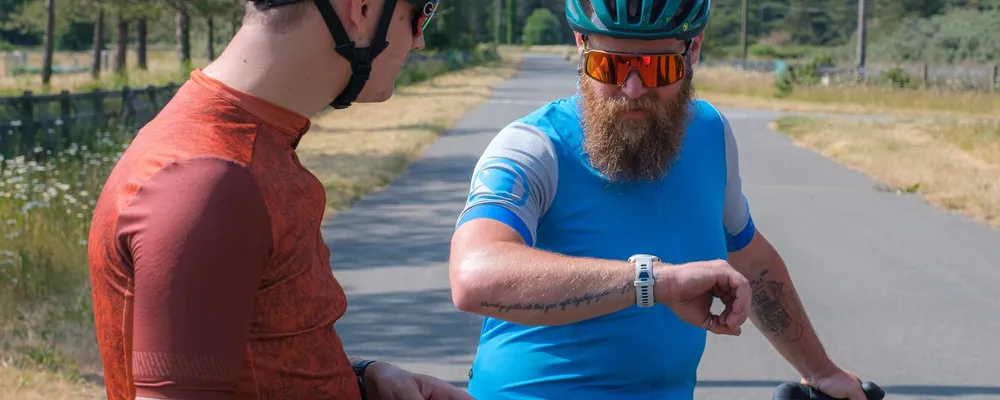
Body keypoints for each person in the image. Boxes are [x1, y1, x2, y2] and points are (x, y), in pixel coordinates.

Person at [447, 0, 868, 399]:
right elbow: (472, 275)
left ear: (694, 51)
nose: (632, 88)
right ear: (581, 46)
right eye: (609, 65)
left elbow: (751, 260)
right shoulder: (533, 147)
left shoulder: (711, 133)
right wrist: (654, 282)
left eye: (658, 67)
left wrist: (820, 370)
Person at [87, 1, 472, 399]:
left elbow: (252, 360)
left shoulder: (241, 149)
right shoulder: (208, 181)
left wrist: (357, 380)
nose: (420, 40)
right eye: (423, 11)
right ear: (361, 8)